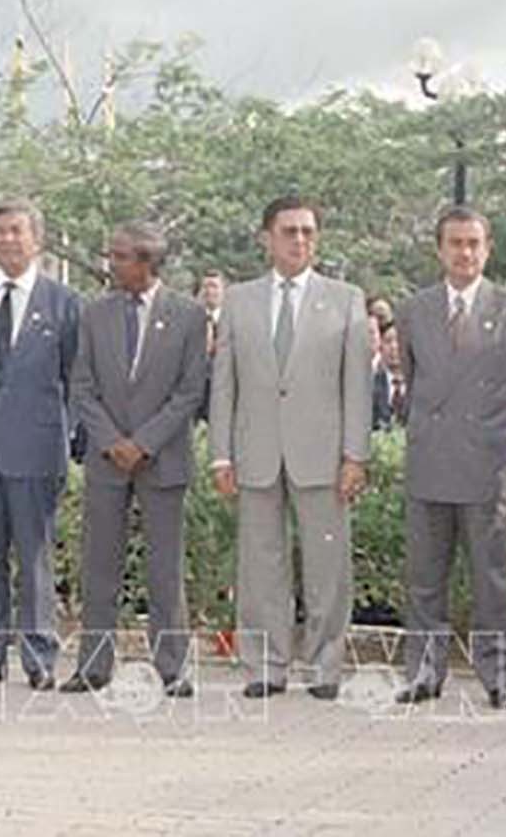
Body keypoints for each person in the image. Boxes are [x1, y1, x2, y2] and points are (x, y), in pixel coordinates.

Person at [209, 195, 372, 700]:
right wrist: (221, 453)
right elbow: (224, 383)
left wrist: (355, 455)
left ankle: (325, 667)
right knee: (260, 564)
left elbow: (357, 387)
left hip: (322, 454)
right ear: (267, 238)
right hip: (256, 450)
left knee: (327, 565)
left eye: (307, 231)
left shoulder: (345, 299)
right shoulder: (239, 300)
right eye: (289, 231)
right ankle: (265, 665)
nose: (299, 240)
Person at [393, 207, 506, 709]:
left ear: (488, 247)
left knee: (492, 578)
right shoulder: (413, 310)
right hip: (429, 461)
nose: (465, 253)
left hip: (487, 467)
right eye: (455, 243)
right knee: (423, 578)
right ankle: (423, 673)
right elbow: (415, 385)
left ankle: (500, 674)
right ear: (439, 249)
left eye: (474, 243)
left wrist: (496, 445)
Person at [65, 221, 208, 696]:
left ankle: (172, 667)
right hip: (107, 460)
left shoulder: (188, 315)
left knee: (164, 569)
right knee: (100, 564)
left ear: (147, 261)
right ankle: (93, 665)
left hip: (162, 459)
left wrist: (143, 442)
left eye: (121, 256)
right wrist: (112, 442)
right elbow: (81, 386)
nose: (111, 264)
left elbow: (189, 392)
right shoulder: (94, 313)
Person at [0, 198, 79, 689]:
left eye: (17, 231)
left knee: (34, 558)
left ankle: (39, 657)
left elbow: (71, 378)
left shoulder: (63, 302)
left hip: (35, 450)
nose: (7, 239)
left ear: (37, 240)